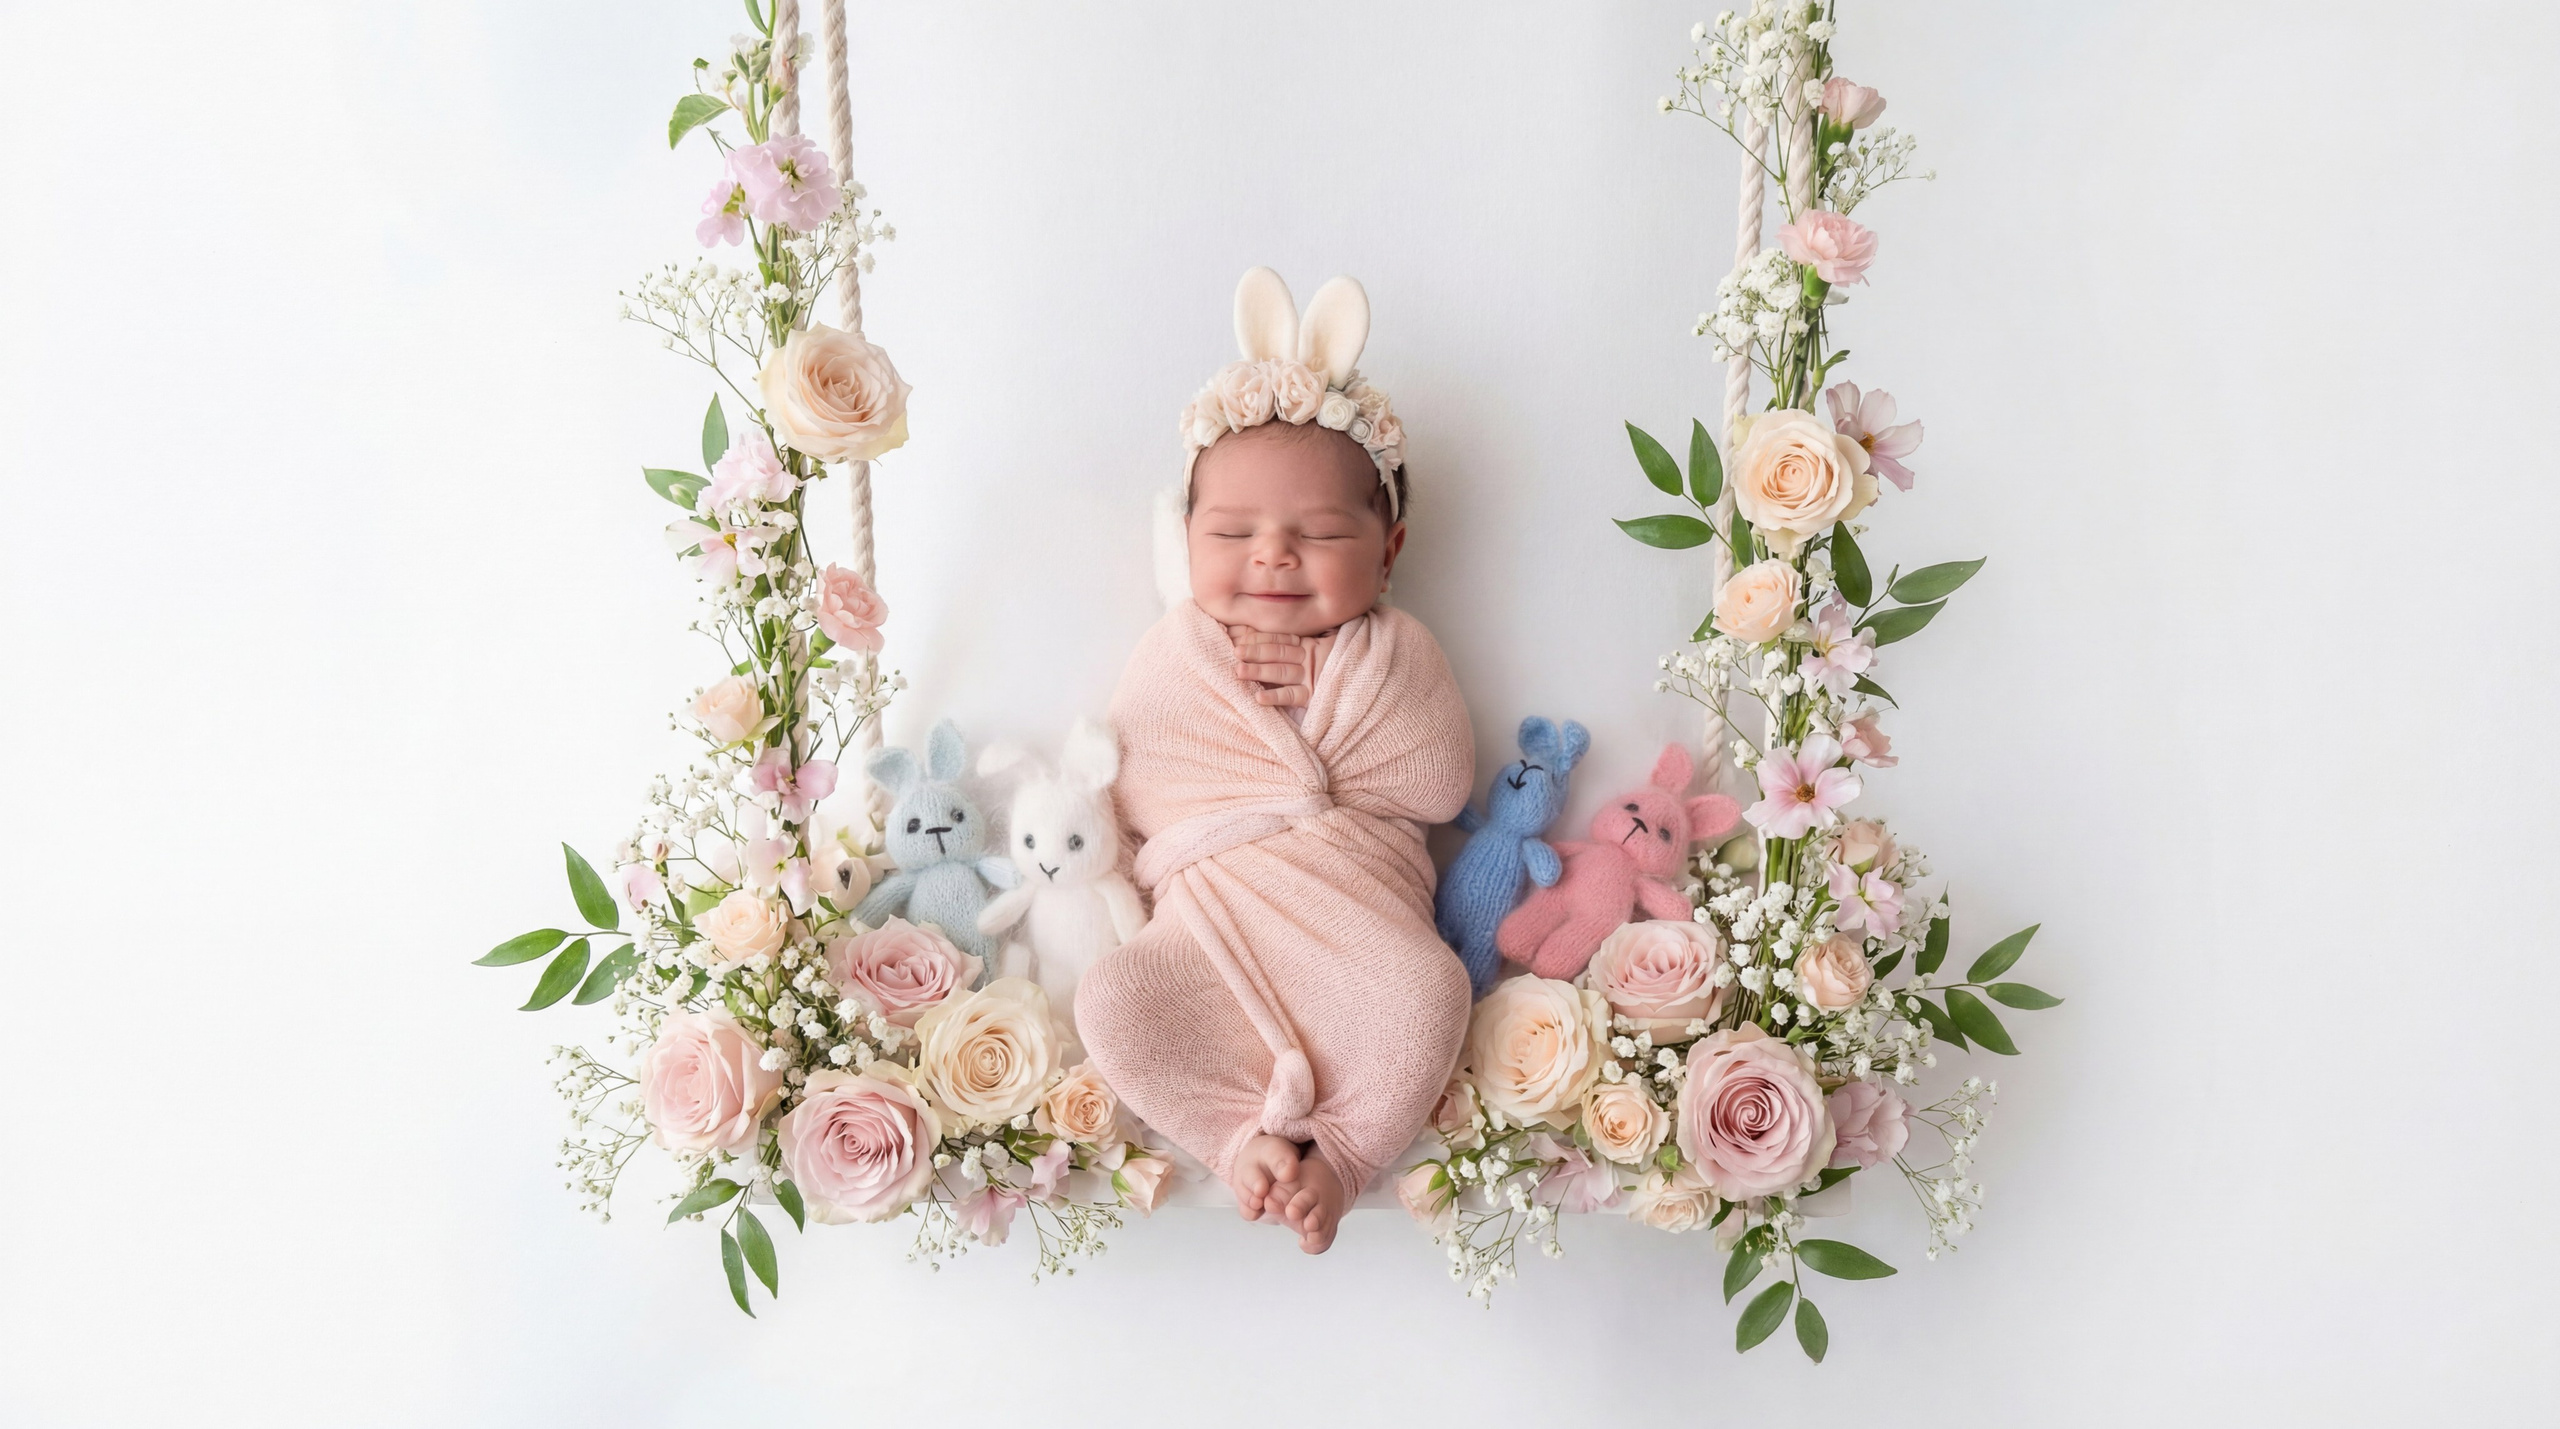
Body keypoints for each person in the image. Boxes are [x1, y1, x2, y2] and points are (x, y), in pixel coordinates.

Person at [1075, 268, 1475, 1253]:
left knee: (1430, 995)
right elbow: (1145, 779)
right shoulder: (1177, 651)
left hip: (1353, 931)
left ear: (1387, 550)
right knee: (1114, 1003)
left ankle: (1340, 1155)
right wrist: (1282, 760)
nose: (1272, 555)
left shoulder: (1397, 653)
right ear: (1185, 536)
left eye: (1321, 533)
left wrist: (1333, 702)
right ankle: (1235, 1135)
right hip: (1211, 931)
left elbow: (1437, 779)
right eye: (1232, 532)